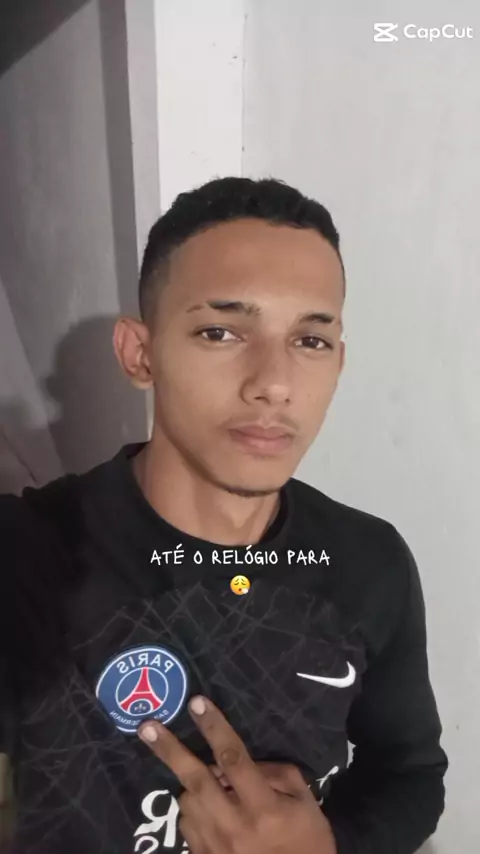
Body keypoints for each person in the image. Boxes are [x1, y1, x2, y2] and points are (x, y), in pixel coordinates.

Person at [0, 177, 448, 854]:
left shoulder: (368, 561)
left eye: (311, 340)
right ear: (140, 354)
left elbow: (410, 772)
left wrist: (327, 844)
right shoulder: (29, 558)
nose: (274, 383)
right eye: (220, 331)